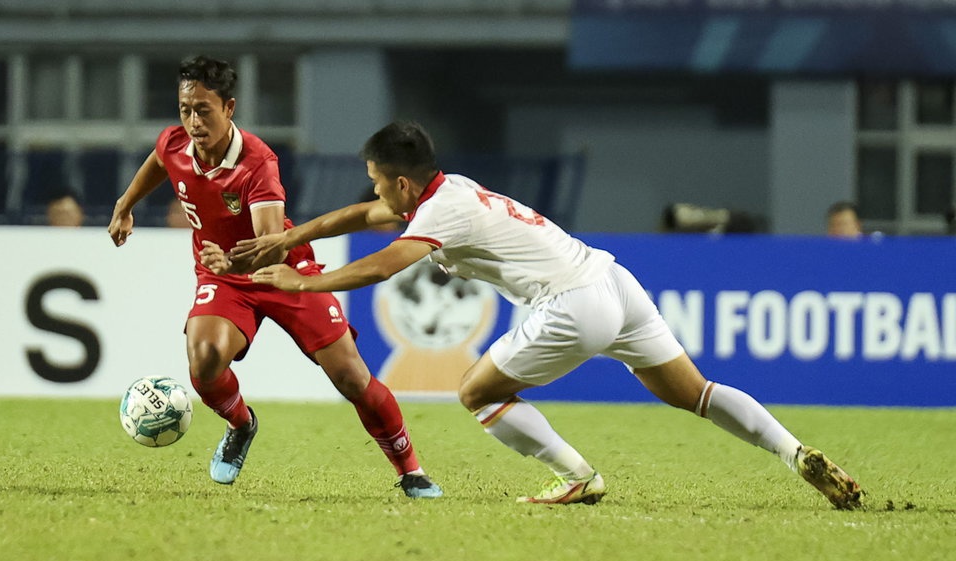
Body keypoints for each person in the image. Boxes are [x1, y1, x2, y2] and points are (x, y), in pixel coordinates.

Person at [226, 121, 864, 508]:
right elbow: (363, 218)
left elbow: (385, 262)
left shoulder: (439, 211)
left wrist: (303, 283)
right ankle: (793, 451)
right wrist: (290, 236)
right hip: (614, 281)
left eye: (376, 180)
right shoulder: (451, 190)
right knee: (696, 393)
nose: (373, 193)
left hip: (573, 303)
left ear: (400, 182)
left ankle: (578, 477)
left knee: (475, 392)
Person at [106, 57, 441, 498]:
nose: (192, 121)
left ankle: (411, 470)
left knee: (351, 377)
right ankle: (241, 425)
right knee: (204, 357)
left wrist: (233, 261)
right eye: (185, 109)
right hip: (223, 275)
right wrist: (125, 203)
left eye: (203, 110)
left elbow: (270, 246)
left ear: (228, 107)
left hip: (285, 270)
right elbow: (159, 159)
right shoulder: (174, 142)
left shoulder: (257, 163)